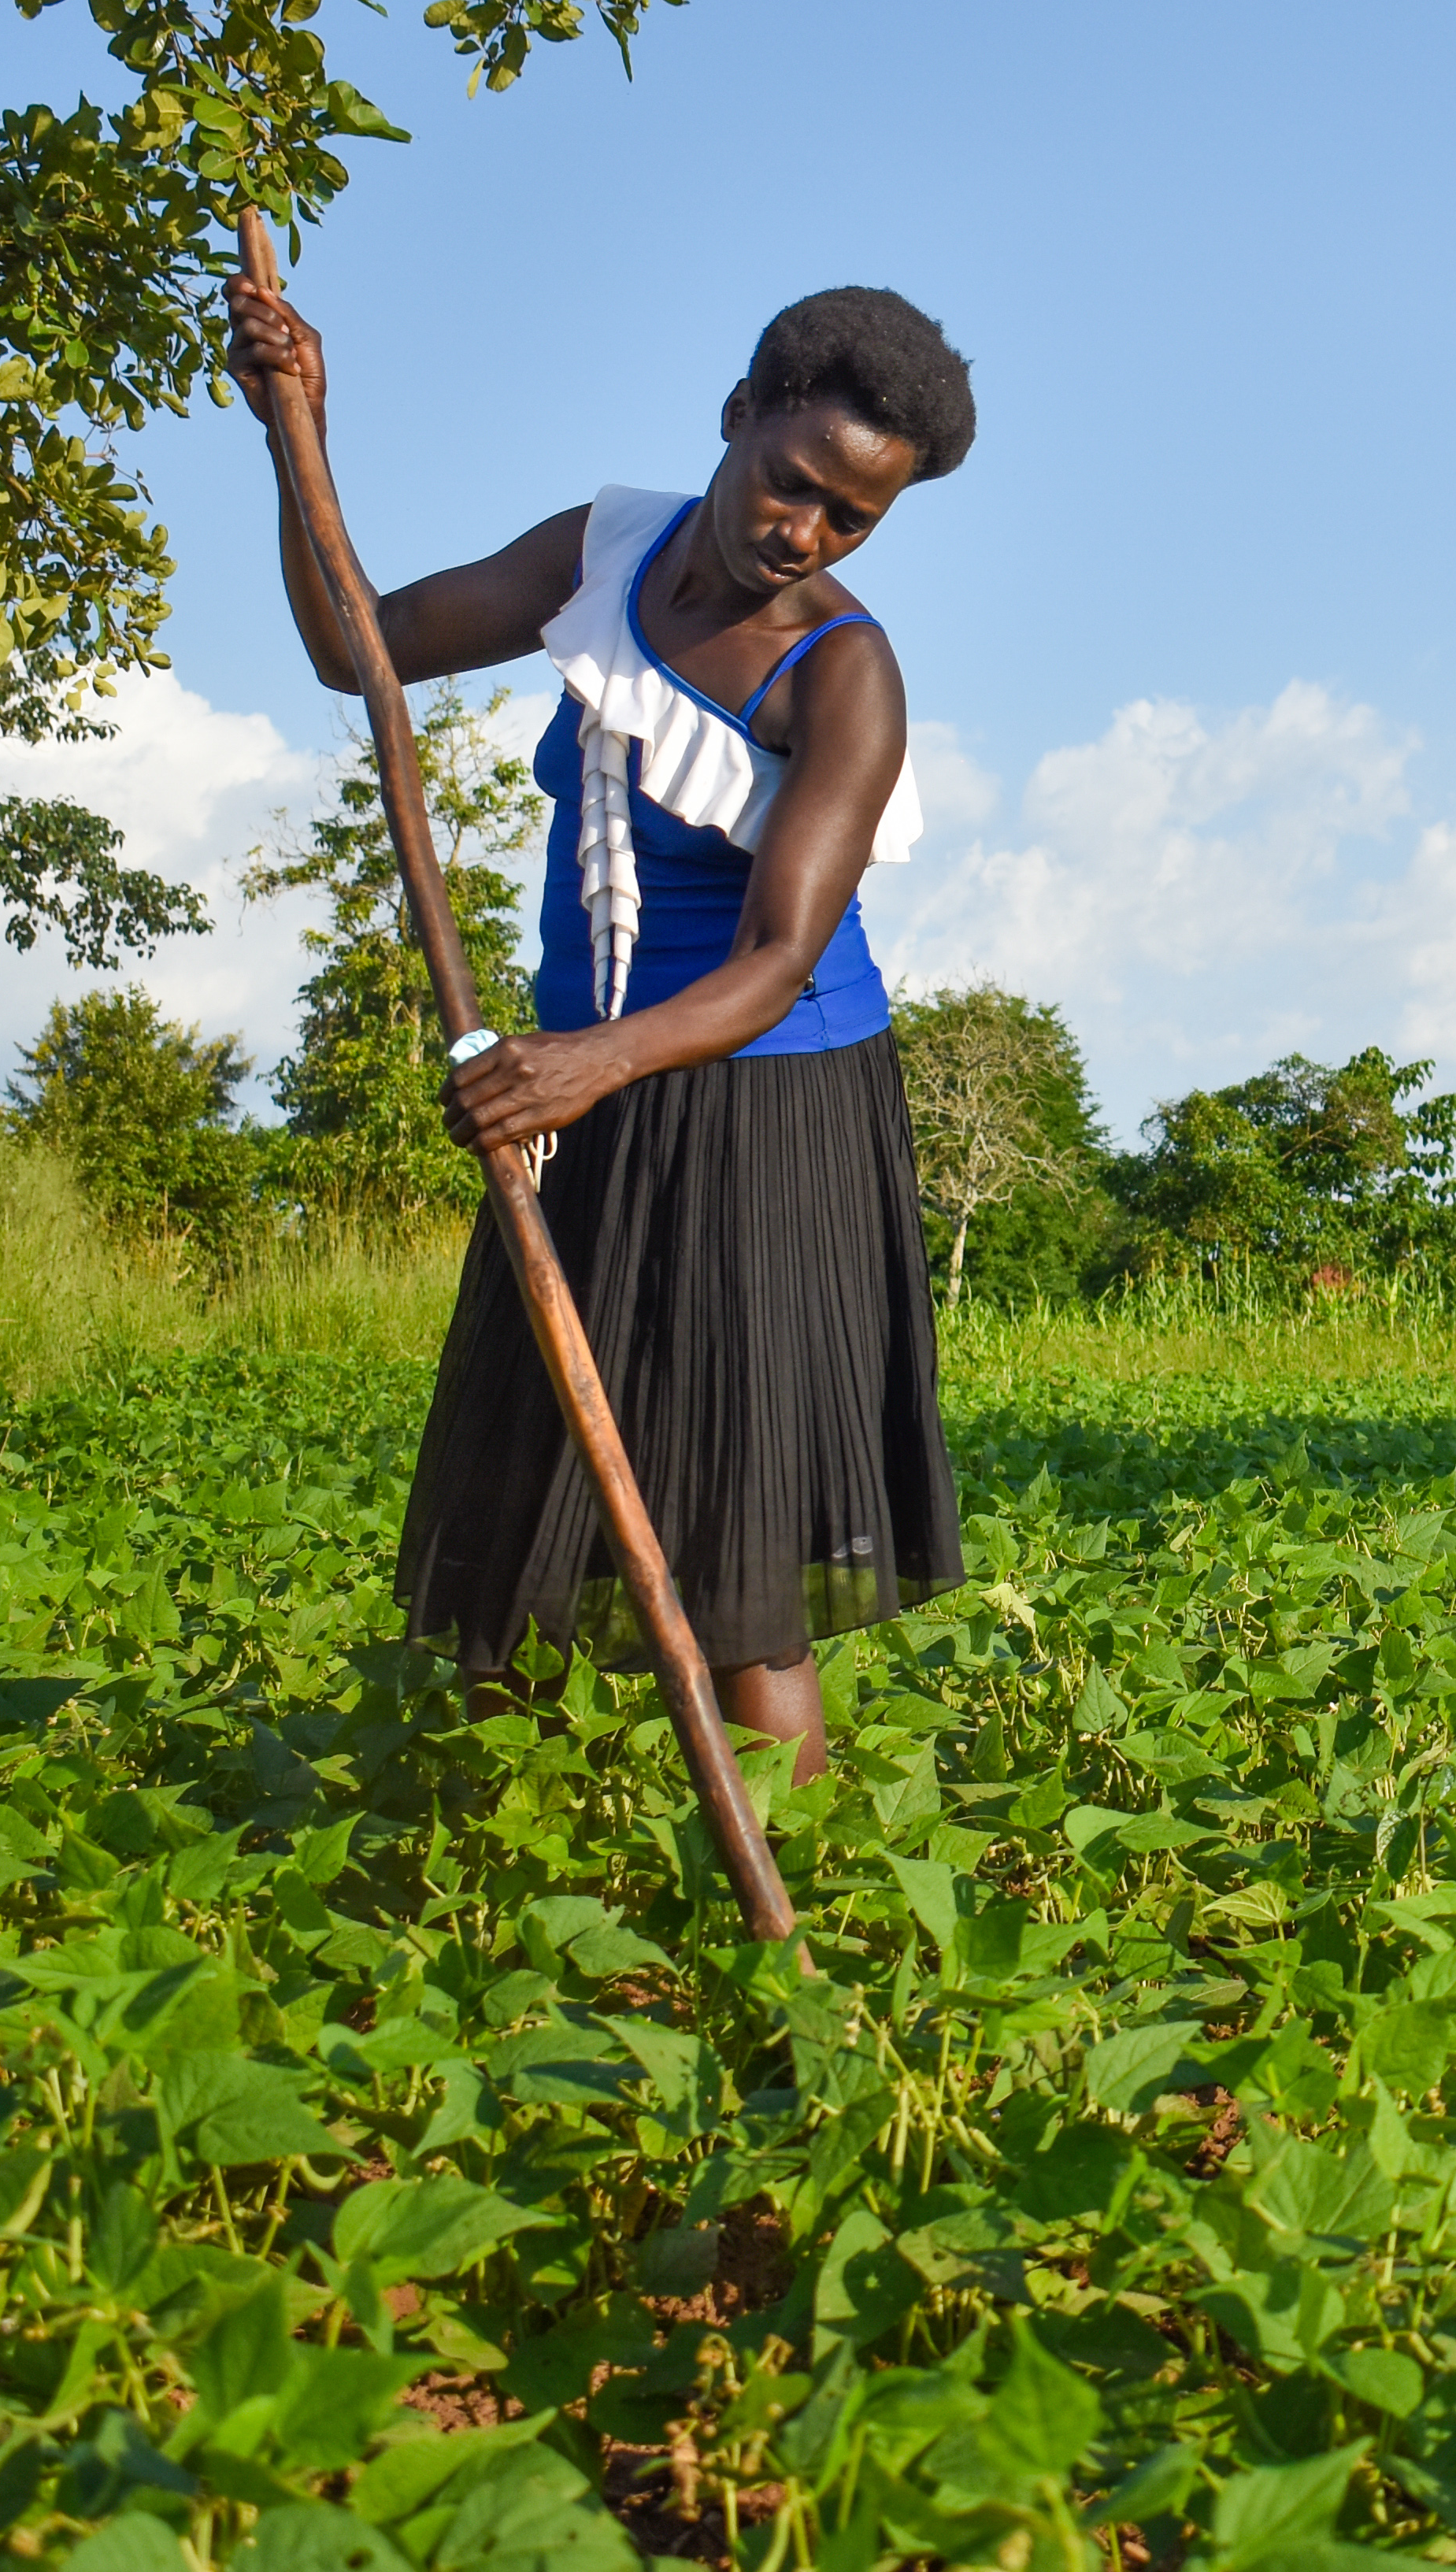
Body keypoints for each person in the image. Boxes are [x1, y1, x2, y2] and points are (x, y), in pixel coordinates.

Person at [223, 271, 976, 1783]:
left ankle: (799, 1913)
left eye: (851, 519)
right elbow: (358, 651)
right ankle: (486, 1876)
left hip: (771, 1108)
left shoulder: (844, 675)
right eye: (791, 483)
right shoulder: (602, 548)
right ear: (736, 416)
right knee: (523, 1499)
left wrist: (580, 1062)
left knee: (739, 1551)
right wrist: (293, 425)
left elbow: (774, 961)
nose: (803, 532)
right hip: (589, 1089)